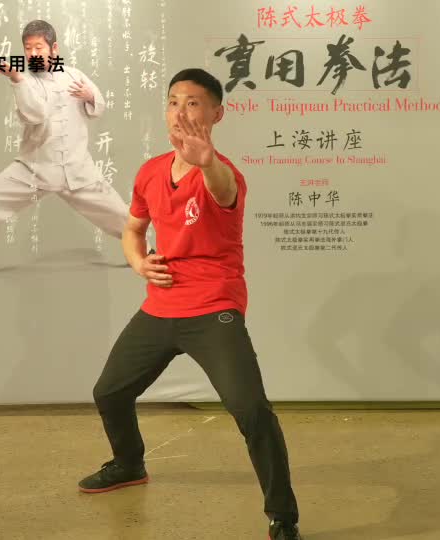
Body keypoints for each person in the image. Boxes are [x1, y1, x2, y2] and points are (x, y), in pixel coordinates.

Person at [78, 68, 302, 540]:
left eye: (194, 102)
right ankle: (129, 463)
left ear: (217, 114)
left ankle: (283, 517)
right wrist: (139, 263)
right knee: (110, 392)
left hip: (213, 306)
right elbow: (133, 230)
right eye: (174, 101)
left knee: (251, 410)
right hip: (161, 306)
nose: (181, 111)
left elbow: (222, 188)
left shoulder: (223, 174)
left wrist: (206, 161)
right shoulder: (150, 172)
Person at [0, 20, 129, 283]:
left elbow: (99, 106)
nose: (32, 53)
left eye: (38, 47)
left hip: (77, 167)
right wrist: (16, 79)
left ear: (54, 48)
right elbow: (35, 115)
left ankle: (145, 251)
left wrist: (90, 95)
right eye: (28, 48)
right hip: (35, 167)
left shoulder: (74, 75)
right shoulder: (25, 80)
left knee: (120, 214)